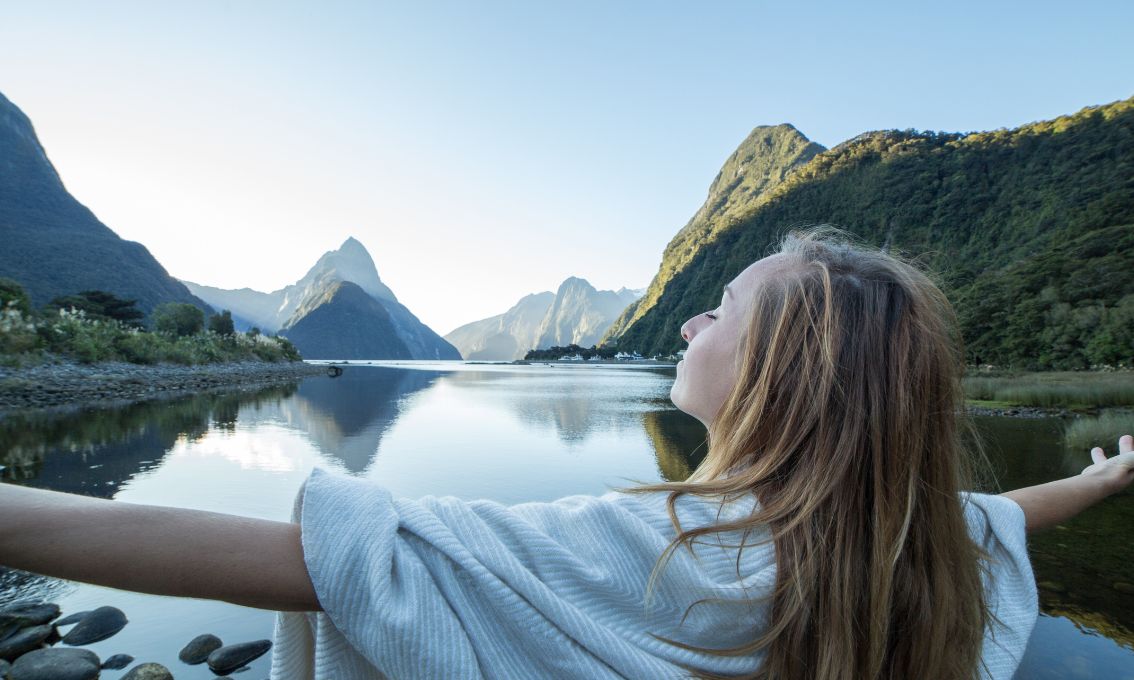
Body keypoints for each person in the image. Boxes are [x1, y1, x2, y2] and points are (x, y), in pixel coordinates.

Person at [1, 229, 1131, 680]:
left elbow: (324, 556)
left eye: (720, 307)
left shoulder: (655, 547)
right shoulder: (898, 548)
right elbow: (996, 517)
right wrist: (1100, 478)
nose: (690, 323)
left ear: (786, 367)